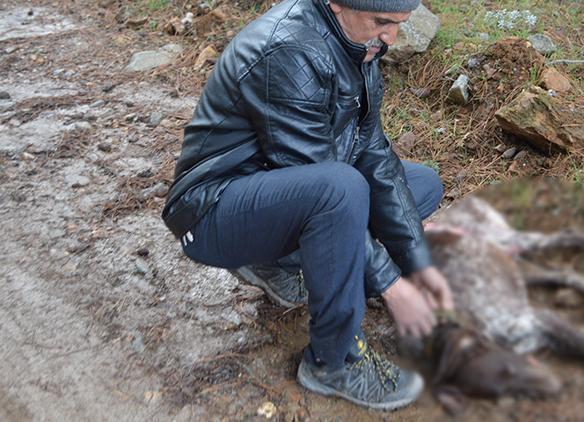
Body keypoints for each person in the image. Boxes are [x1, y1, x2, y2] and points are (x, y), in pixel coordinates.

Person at [161, 0, 454, 411]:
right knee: (341, 190)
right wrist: (391, 286)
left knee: (421, 184)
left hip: (276, 191)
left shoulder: (359, 41)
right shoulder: (290, 49)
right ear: (336, 5)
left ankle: (275, 263)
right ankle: (334, 361)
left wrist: (418, 267)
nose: (391, 37)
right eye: (382, 22)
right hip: (212, 209)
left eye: (399, 25)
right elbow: (324, 178)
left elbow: (371, 151)